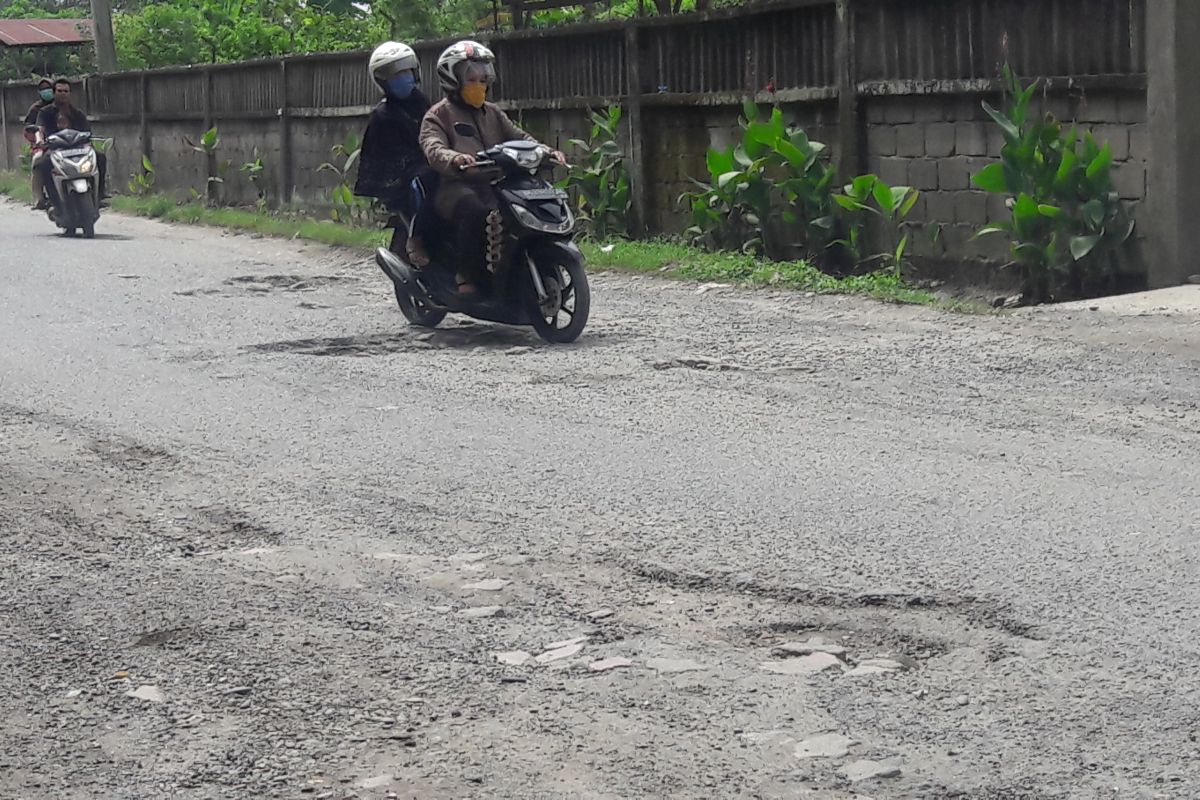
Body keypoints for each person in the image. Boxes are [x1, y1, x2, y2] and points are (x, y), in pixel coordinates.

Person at [419, 40, 565, 295]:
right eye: (472, 79)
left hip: (498, 184)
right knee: (475, 211)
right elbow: (433, 147)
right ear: (453, 80)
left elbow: (521, 137)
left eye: (483, 79)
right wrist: (455, 158)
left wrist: (546, 151)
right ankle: (466, 275)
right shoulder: (438, 115)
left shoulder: (494, 113)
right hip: (457, 187)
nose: (479, 86)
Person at [354, 41, 434, 266]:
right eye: (394, 74)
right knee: (427, 179)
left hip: (427, 162)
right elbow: (384, 157)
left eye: (405, 71)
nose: (402, 78)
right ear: (382, 81)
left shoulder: (421, 101)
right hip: (399, 178)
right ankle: (415, 238)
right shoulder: (383, 115)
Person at [35, 78, 107, 208]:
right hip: (55, 150)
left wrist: (88, 142)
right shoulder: (45, 112)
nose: (63, 94)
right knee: (43, 163)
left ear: (70, 93)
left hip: (78, 150)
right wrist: (40, 140)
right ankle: (51, 199)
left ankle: (99, 195)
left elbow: (87, 133)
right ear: (54, 93)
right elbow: (40, 129)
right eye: (60, 91)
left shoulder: (77, 113)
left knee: (100, 157)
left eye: (66, 91)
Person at [23, 79, 54, 209]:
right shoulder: (36, 109)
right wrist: (38, 135)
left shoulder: (63, 107)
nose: (46, 91)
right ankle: (39, 197)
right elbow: (28, 126)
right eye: (43, 89)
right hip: (43, 144)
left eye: (48, 88)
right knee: (38, 161)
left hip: (64, 143)